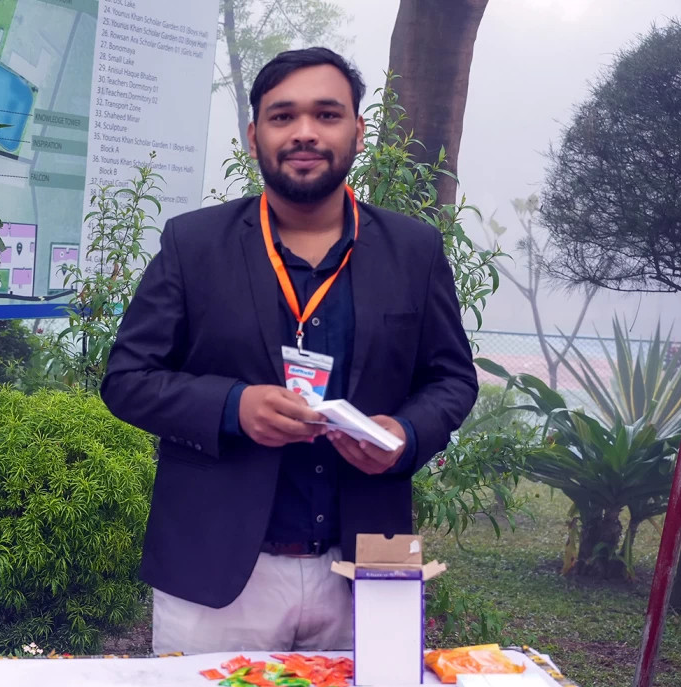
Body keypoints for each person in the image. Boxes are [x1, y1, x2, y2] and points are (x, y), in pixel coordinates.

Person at [100, 48, 477, 655]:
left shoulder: (414, 250)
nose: (304, 132)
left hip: (369, 564)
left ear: (357, 131)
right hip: (216, 573)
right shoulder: (193, 245)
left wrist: (407, 434)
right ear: (255, 137)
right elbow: (127, 378)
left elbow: (452, 379)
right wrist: (234, 407)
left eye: (327, 114)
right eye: (283, 116)